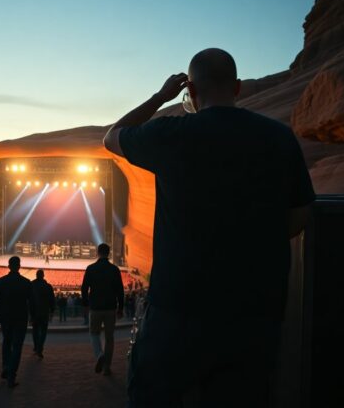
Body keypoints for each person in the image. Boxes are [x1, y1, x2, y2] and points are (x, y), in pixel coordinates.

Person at [104, 48, 315, 407]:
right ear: (237, 88)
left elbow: (113, 137)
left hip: (177, 310)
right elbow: (299, 215)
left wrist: (161, 97)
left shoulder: (172, 133)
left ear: (191, 93)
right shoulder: (279, 137)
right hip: (253, 313)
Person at [0, 256, 34, 388]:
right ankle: (11, 374)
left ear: (8, 266)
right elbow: (32, 302)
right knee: (17, 346)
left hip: (5, 317)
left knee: (6, 342)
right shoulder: (26, 283)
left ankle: (5, 366)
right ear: (19, 266)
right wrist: (32, 317)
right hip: (20, 317)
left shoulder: (0, 282)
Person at [81, 243, 124, 376]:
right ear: (109, 253)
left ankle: (99, 354)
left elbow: (84, 288)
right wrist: (120, 308)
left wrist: (86, 304)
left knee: (94, 334)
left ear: (97, 253)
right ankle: (107, 368)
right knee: (109, 338)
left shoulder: (91, 268)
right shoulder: (115, 269)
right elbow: (120, 291)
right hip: (111, 308)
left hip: (95, 308)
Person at [30, 269, 55, 358]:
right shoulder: (48, 286)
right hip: (44, 313)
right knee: (43, 332)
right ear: (43, 276)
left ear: (36, 275)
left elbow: (29, 300)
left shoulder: (31, 285)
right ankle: (40, 348)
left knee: (35, 330)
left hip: (34, 313)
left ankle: (36, 347)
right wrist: (52, 311)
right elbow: (52, 300)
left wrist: (29, 313)